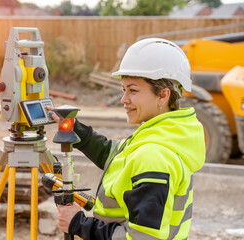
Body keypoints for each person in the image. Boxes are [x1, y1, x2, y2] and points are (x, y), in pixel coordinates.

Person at [50, 38, 206, 239]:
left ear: (163, 96)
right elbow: (115, 155)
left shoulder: (153, 155)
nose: (124, 99)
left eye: (133, 90)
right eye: (124, 90)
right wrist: (75, 130)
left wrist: (79, 224)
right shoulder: (165, 135)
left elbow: (142, 237)